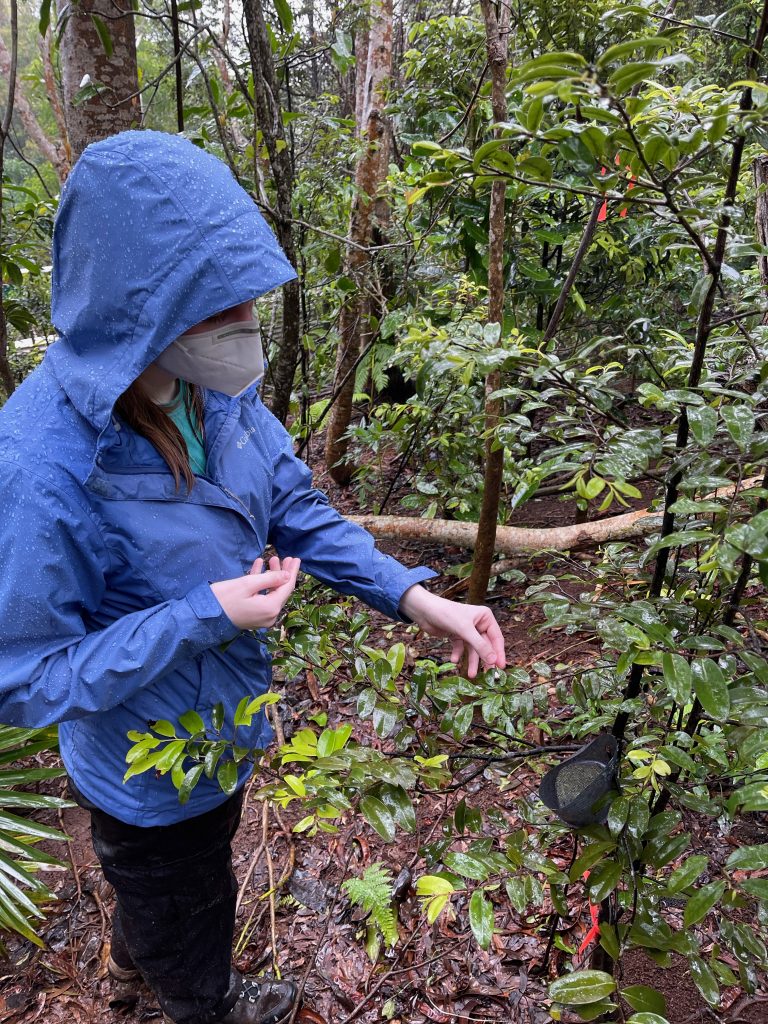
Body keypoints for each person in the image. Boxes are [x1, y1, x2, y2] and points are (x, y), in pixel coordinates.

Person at [0, 131, 506, 1024]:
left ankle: (133, 970)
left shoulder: (209, 386)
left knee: (178, 896)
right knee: (185, 903)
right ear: (140, 309)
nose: (242, 318)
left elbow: (294, 506)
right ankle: (203, 1002)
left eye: (244, 292)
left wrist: (419, 599)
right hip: (144, 775)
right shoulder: (44, 463)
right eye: (213, 302)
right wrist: (205, 615)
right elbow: (28, 675)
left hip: (225, 724)